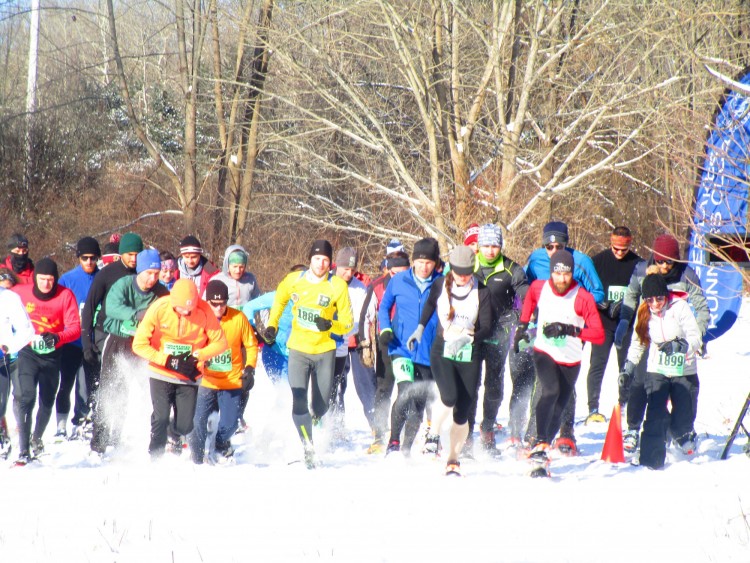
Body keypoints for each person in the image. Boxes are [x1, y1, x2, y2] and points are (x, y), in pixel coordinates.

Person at [262, 239, 353, 468]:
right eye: (316, 259)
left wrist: (330, 326)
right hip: (299, 350)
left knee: (320, 406)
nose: (321, 264)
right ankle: (308, 446)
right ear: (309, 259)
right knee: (298, 399)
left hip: (324, 352)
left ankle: (316, 418)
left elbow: (347, 323)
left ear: (330, 263)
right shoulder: (294, 281)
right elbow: (280, 299)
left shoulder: (337, 286)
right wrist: (272, 325)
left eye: (325, 260)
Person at [615, 233, 709, 453]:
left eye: (669, 261)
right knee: (640, 381)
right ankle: (633, 427)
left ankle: (681, 429)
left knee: (683, 386)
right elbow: (631, 295)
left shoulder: (687, 275)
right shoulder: (641, 270)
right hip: (649, 331)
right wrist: (624, 321)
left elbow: (702, 308)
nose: (664, 265)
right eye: (660, 261)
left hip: (678, 336)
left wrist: (695, 337)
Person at [515, 250, 604, 476]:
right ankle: (540, 443)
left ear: (572, 273)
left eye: (566, 274)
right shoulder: (539, 287)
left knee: (560, 406)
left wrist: (570, 330)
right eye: (557, 273)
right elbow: (529, 302)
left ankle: (543, 448)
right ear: (551, 272)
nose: (562, 279)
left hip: (570, 360)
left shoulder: (582, 297)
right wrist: (523, 326)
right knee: (550, 391)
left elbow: (599, 335)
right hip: (544, 350)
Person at [132, 278, 228, 459]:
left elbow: (221, 343)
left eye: (189, 310)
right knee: (160, 417)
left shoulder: (204, 311)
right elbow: (138, 345)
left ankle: (173, 434)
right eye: (180, 309)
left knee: (185, 425)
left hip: (188, 373)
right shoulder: (159, 308)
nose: (185, 313)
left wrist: (197, 357)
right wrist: (167, 360)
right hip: (161, 371)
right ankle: (156, 455)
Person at [422, 246, 493, 475]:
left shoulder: (481, 291)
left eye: (467, 272)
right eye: (458, 272)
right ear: (451, 269)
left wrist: (469, 339)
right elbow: (430, 304)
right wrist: (420, 327)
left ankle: (453, 458)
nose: (463, 277)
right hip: (443, 349)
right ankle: (433, 431)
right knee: (449, 396)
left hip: (468, 352)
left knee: (463, 410)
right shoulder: (440, 285)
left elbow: (487, 326)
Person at [90, 249, 169, 455]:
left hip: (146, 345)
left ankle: (146, 438)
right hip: (119, 340)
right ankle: (99, 442)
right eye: (148, 273)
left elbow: (167, 314)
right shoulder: (123, 285)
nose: (152, 278)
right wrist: (137, 314)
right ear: (139, 271)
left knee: (149, 390)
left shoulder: (161, 293)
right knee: (111, 389)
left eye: (156, 274)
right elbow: (112, 308)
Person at [620, 274, 702, 469]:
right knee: (656, 413)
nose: (655, 304)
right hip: (658, 368)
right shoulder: (644, 312)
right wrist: (628, 368)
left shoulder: (679, 307)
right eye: (650, 300)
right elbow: (638, 343)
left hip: (684, 368)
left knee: (683, 415)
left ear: (666, 296)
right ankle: (651, 459)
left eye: (659, 299)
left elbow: (695, 337)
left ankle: (679, 433)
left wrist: (680, 347)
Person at [11, 258, 81, 464]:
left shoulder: (65, 295)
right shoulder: (19, 293)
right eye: (42, 279)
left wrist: (58, 336)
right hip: (27, 352)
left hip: (52, 356)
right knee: (26, 398)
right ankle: (23, 449)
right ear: (35, 278)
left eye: (50, 280)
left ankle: (37, 438)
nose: (46, 284)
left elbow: (75, 327)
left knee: (47, 400)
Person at [378, 238, 442, 457]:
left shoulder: (443, 284)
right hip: (401, 348)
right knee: (405, 391)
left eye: (429, 263)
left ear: (436, 263)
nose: (424, 267)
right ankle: (394, 442)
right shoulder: (399, 280)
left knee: (419, 404)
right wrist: (385, 329)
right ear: (413, 261)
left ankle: (406, 449)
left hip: (429, 352)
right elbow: (384, 307)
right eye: (420, 261)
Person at [80, 232, 143, 437]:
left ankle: (119, 433)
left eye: (137, 254)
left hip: (134, 335)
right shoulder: (107, 274)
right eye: (130, 254)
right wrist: (87, 343)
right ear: (121, 253)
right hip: (105, 333)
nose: (134, 259)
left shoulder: (145, 274)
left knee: (126, 385)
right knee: (108, 383)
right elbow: (89, 307)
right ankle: (100, 434)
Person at [190, 279, 258, 464]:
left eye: (223, 304)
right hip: (207, 381)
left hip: (231, 380)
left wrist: (250, 368)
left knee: (229, 425)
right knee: (197, 423)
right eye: (214, 304)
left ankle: (220, 443)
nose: (219, 308)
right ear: (207, 301)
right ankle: (196, 459)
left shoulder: (238, 318)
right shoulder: (200, 318)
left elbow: (251, 345)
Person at [584, 226, 642, 423]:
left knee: (626, 366)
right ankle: (593, 408)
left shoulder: (637, 264)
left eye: (623, 250)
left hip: (626, 325)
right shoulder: (598, 261)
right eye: (615, 248)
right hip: (602, 323)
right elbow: (587, 288)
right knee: (597, 364)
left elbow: (643, 295)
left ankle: (624, 404)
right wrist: (600, 303)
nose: (618, 253)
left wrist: (629, 309)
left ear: (630, 244)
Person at [358, 250, 410, 453]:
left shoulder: (416, 283)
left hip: (410, 343)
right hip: (386, 343)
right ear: (388, 269)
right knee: (384, 388)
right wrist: (364, 343)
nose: (400, 276)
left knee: (408, 387)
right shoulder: (378, 285)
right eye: (395, 272)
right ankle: (379, 433)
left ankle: (405, 429)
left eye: (404, 271)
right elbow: (366, 315)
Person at [209, 244, 262, 431]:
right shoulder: (218, 280)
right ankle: (215, 411)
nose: (238, 270)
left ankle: (238, 413)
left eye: (241, 266)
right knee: (222, 370)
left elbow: (258, 302)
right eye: (234, 266)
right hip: (224, 331)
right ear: (227, 265)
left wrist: (263, 326)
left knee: (244, 375)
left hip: (246, 330)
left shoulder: (251, 280)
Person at [55, 236, 101, 439]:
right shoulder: (67, 279)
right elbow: (57, 308)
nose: (89, 262)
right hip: (71, 341)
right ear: (78, 258)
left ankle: (82, 420)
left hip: (92, 341)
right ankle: (60, 424)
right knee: (66, 383)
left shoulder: (103, 277)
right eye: (85, 258)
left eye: (92, 258)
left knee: (88, 384)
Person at [329, 247, 376, 440]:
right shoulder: (327, 283)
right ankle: (335, 425)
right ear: (337, 266)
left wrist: (364, 337)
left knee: (366, 383)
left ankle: (376, 425)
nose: (348, 274)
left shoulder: (359, 286)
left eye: (352, 270)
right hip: (334, 341)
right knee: (336, 384)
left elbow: (366, 312)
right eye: (344, 269)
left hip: (356, 340)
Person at [0, 281, 35, 460]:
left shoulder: (9, 298)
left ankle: (24, 449)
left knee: (22, 401)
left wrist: (8, 346)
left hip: (12, 359)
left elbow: (27, 329)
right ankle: (3, 439)